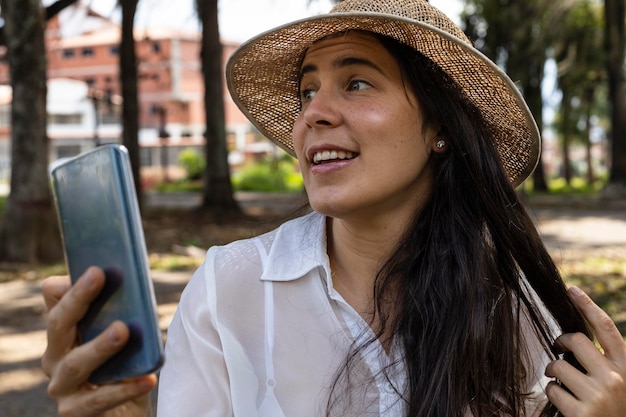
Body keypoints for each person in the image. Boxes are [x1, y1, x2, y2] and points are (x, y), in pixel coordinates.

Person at [41, 0, 626, 416]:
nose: (313, 113)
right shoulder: (229, 289)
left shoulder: (519, 307)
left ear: (440, 128)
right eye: (306, 91)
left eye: (357, 83)